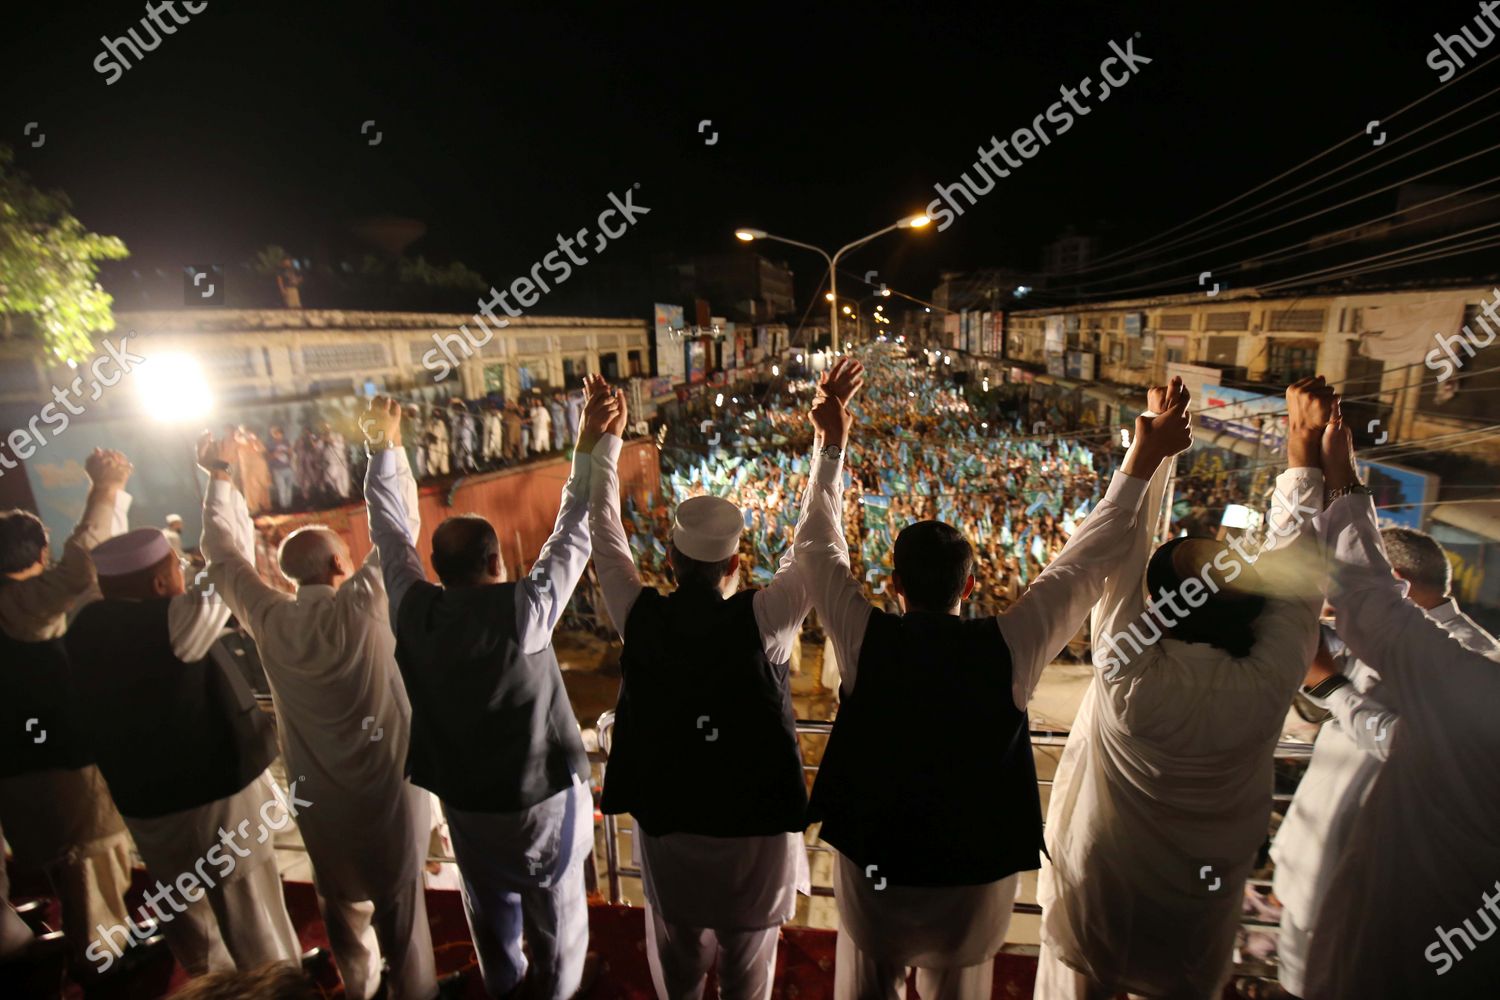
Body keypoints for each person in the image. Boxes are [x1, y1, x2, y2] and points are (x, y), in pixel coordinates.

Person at [797, 361, 1194, 999]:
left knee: (865, 985)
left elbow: (816, 546)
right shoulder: (1010, 644)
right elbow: (1086, 561)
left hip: (875, 872)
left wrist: (833, 442)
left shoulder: (863, 636)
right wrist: (1141, 462)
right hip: (973, 882)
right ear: (973, 585)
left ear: (894, 587)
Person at [1034, 377, 1330, 1000]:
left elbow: (1119, 553)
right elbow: (1299, 580)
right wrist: (1303, 458)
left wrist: (1157, 451)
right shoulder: (1269, 680)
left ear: (1157, 608)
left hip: (1103, 885)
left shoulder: (1125, 670)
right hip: (1199, 906)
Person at [361, 384, 617, 999]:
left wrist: (384, 450)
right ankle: (557, 991)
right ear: (498, 561)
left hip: (467, 804)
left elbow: (389, 536)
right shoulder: (525, 612)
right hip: (540, 804)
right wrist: (591, 441)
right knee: (557, 914)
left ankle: (504, 987)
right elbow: (575, 531)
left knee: (488, 909)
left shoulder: (413, 609)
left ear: (438, 570)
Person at [590, 373, 819, 1000]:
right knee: (749, 978)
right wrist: (830, 446)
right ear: (736, 564)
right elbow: (820, 550)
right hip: (757, 839)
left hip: (670, 833)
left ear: (669, 562)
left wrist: (602, 443)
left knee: (680, 967)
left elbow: (603, 531)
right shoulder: (767, 621)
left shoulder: (638, 616)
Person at [198, 430, 437, 1000]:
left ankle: (359, 989)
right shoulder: (362, 603)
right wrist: (387, 449)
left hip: (316, 795)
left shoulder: (270, 619)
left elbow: (222, 555)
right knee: (401, 914)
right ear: (337, 562)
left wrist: (220, 478)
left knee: (340, 906)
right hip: (386, 790)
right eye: (348, 557)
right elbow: (398, 531)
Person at [1301, 404, 1500, 999]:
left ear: (1405, 587)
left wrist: (1330, 688)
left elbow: (1369, 601)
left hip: (1403, 918)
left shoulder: (1471, 674)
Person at [65, 507, 300, 976]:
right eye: (175, 566)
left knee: (190, 921)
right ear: (157, 584)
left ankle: (212, 987)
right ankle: (276, 986)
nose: (183, 573)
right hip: (215, 799)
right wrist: (219, 481)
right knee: (252, 913)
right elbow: (227, 563)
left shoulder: (83, 621)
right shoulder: (176, 623)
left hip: (147, 805)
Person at [1269, 526, 1499, 998]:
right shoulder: (1384, 634)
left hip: (1374, 873)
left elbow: (1409, 744)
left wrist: (1333, 688)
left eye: (1342, 583)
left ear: (1393, 583)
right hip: (1315, 859)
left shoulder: (1475, 657)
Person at [0, 449, 142, 983]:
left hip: (21, 764)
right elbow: (82, 565)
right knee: (88, 866)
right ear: (37, 551)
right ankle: (104, 966)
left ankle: (103, 950)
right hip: (55, 766)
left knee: (76, 868)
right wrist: (103, 491)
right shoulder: (17, 605)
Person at [267, 427, 295, 512]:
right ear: (273, 435)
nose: (277, 435)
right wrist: (274, 454)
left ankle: (288, 505)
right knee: (281, 488)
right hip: (277, 469)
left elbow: (291, 453)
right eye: (275, 434)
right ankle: (283, 506)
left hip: (288, 468)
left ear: (282, 434)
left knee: (289, 487)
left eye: (279, 433)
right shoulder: (270, 444)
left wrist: (288, 453)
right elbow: (268, 457)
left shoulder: (286, 442)